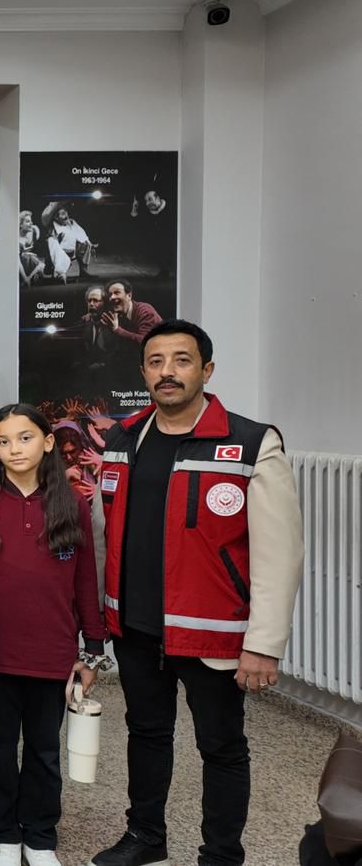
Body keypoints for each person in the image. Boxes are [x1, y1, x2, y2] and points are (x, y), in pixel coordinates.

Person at [88, 320, 302, 866]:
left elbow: (280, 554)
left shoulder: (252, 443)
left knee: (221, 746)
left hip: (212, 631)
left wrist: (264, 644)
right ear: (143, 372)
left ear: (206, 370)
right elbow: (101, 533)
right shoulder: (122, 438)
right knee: (145, 732)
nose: (168, 372)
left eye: (181, 361)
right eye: (156, 361)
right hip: (136, 626)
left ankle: (222, 855)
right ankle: (146, 837)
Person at [0, 404, 105, 866]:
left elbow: (85, 579)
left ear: (47, 442)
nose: (14, 449)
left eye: (25, 438)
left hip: (52, 653)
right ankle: (3, 835)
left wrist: (92, 649)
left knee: (43, 751)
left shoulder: (71, 502)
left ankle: (40, 838)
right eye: (3, 441)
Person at [103, 280, 163, 353]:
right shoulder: (118, 315)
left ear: (129, 296)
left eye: (117, 293)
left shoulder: (145, 311)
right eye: (110, 295)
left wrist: (117, 330)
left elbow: (146, 342)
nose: (112, 297)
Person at [42, 203, 93, 281]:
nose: (66, 216)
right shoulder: (53, 228)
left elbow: (81, 234)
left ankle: (83, 271)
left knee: (85, 243)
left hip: (72, 249)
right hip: (60, 251)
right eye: (63, 214)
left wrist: (87, 242)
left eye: (66, 213)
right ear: (56, 217)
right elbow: (53, 246)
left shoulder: (71, 223)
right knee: (54, 245)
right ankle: (58, 273)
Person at [80, 285, 114, 368]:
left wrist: (102, 365)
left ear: (105, 303)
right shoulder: (82, 323)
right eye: (89, 301)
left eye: (95, 301)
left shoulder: (113, 324)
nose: (91, 304)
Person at [19, 212, 47, 286]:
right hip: (19, 265)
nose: (31, 223)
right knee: (25, 256)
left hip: (29, 262)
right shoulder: (18, 240)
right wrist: (25, 278)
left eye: (31, 221)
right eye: (27, 221)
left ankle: (31, 277)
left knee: (41, 266)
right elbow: (17, 262)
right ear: (20, 225)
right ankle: (25, 279)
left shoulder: (34, 231)